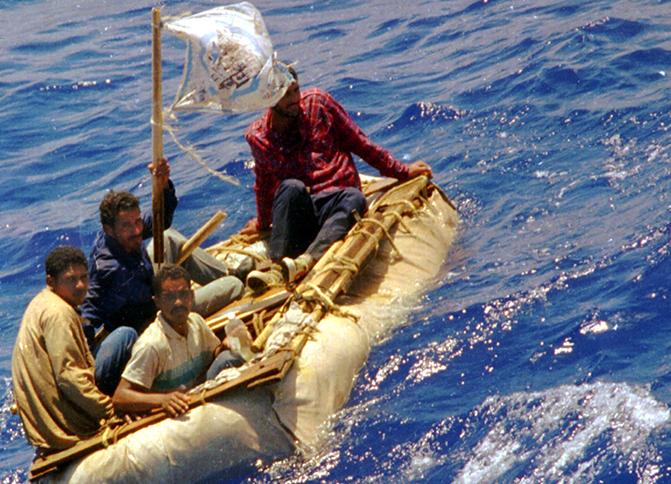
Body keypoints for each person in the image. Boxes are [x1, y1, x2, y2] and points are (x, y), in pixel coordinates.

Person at [241, 67, 433, 289]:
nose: (295, 99)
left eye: (296, 90)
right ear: (270, 99)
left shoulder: (318, 103)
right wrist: (262, 223)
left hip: (337, 202)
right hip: (305, 214)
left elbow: (360, 142)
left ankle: (306, 261)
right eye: (287, 95)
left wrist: (401, 170)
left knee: (354, 198)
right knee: (290, 187)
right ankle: (276, 270)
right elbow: (264, 185)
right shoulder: (257, 136)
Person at [80, 159, 246, 394]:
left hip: (154, 294)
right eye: (127, 226)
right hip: (158, 314)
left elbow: (161, 221)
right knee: (234, 286)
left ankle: (222, 271)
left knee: (166, 236)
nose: (137, 231)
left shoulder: (118, 236)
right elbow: (88, 315)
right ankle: (233, 278)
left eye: (137, 221)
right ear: (109, 229)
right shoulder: (111, 269)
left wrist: (164, 183)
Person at [11, 245, 114, 452]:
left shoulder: (43, 301)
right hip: (68, 426)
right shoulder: (59, 314)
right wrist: (111, 409)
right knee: (124, 337)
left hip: (47, 426)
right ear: (51, 281)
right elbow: (69, 377)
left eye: (84, 277)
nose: (80, 285)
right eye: (70, 280)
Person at [111, 264, 245, 416]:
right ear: (157, 302)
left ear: (192, 296)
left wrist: (225, 346)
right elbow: (119, 397)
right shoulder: (151, 345)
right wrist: (162, 400)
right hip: (176, 408)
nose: (178, 302)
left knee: (229, 357)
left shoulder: (196, 322)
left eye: (184, 294)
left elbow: (214, 354)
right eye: (169, 297)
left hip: (197, 391)